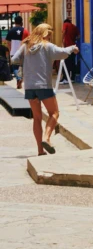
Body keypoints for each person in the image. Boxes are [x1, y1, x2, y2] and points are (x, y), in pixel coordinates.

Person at [11, 23, 79, 156]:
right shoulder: (47, 46)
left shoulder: (26, 46)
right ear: (46, 33)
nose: (50, 37)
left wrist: (27, 64)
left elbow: (14, 59)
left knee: (37, 118)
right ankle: (46, 138)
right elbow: (63, 53)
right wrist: (73, 48)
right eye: (50, 34)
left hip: (30, 87)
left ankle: (40, 151)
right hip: (44, 86)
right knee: (54, 113)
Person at [6, 16, 29, 90]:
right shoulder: (25, 31)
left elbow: (8, 43)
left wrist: (9, 51)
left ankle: (18, 78)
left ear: (14, 22)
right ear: (21, 22)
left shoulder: (11, 31)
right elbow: (28, 41)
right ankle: (20, 79)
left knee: (15, 67)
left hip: (13, 52)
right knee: (21, 66)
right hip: (22, 51)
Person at [62, 18, 80, 82]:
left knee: (66, 63)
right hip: (74, 46)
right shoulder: (74, 26)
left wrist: (62, 40)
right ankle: (72, 78)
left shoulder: (65, 24)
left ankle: (65, 78)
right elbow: (78, 36)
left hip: (67, 47)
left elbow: (63, 32)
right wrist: (73, 39)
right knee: (72, 62)